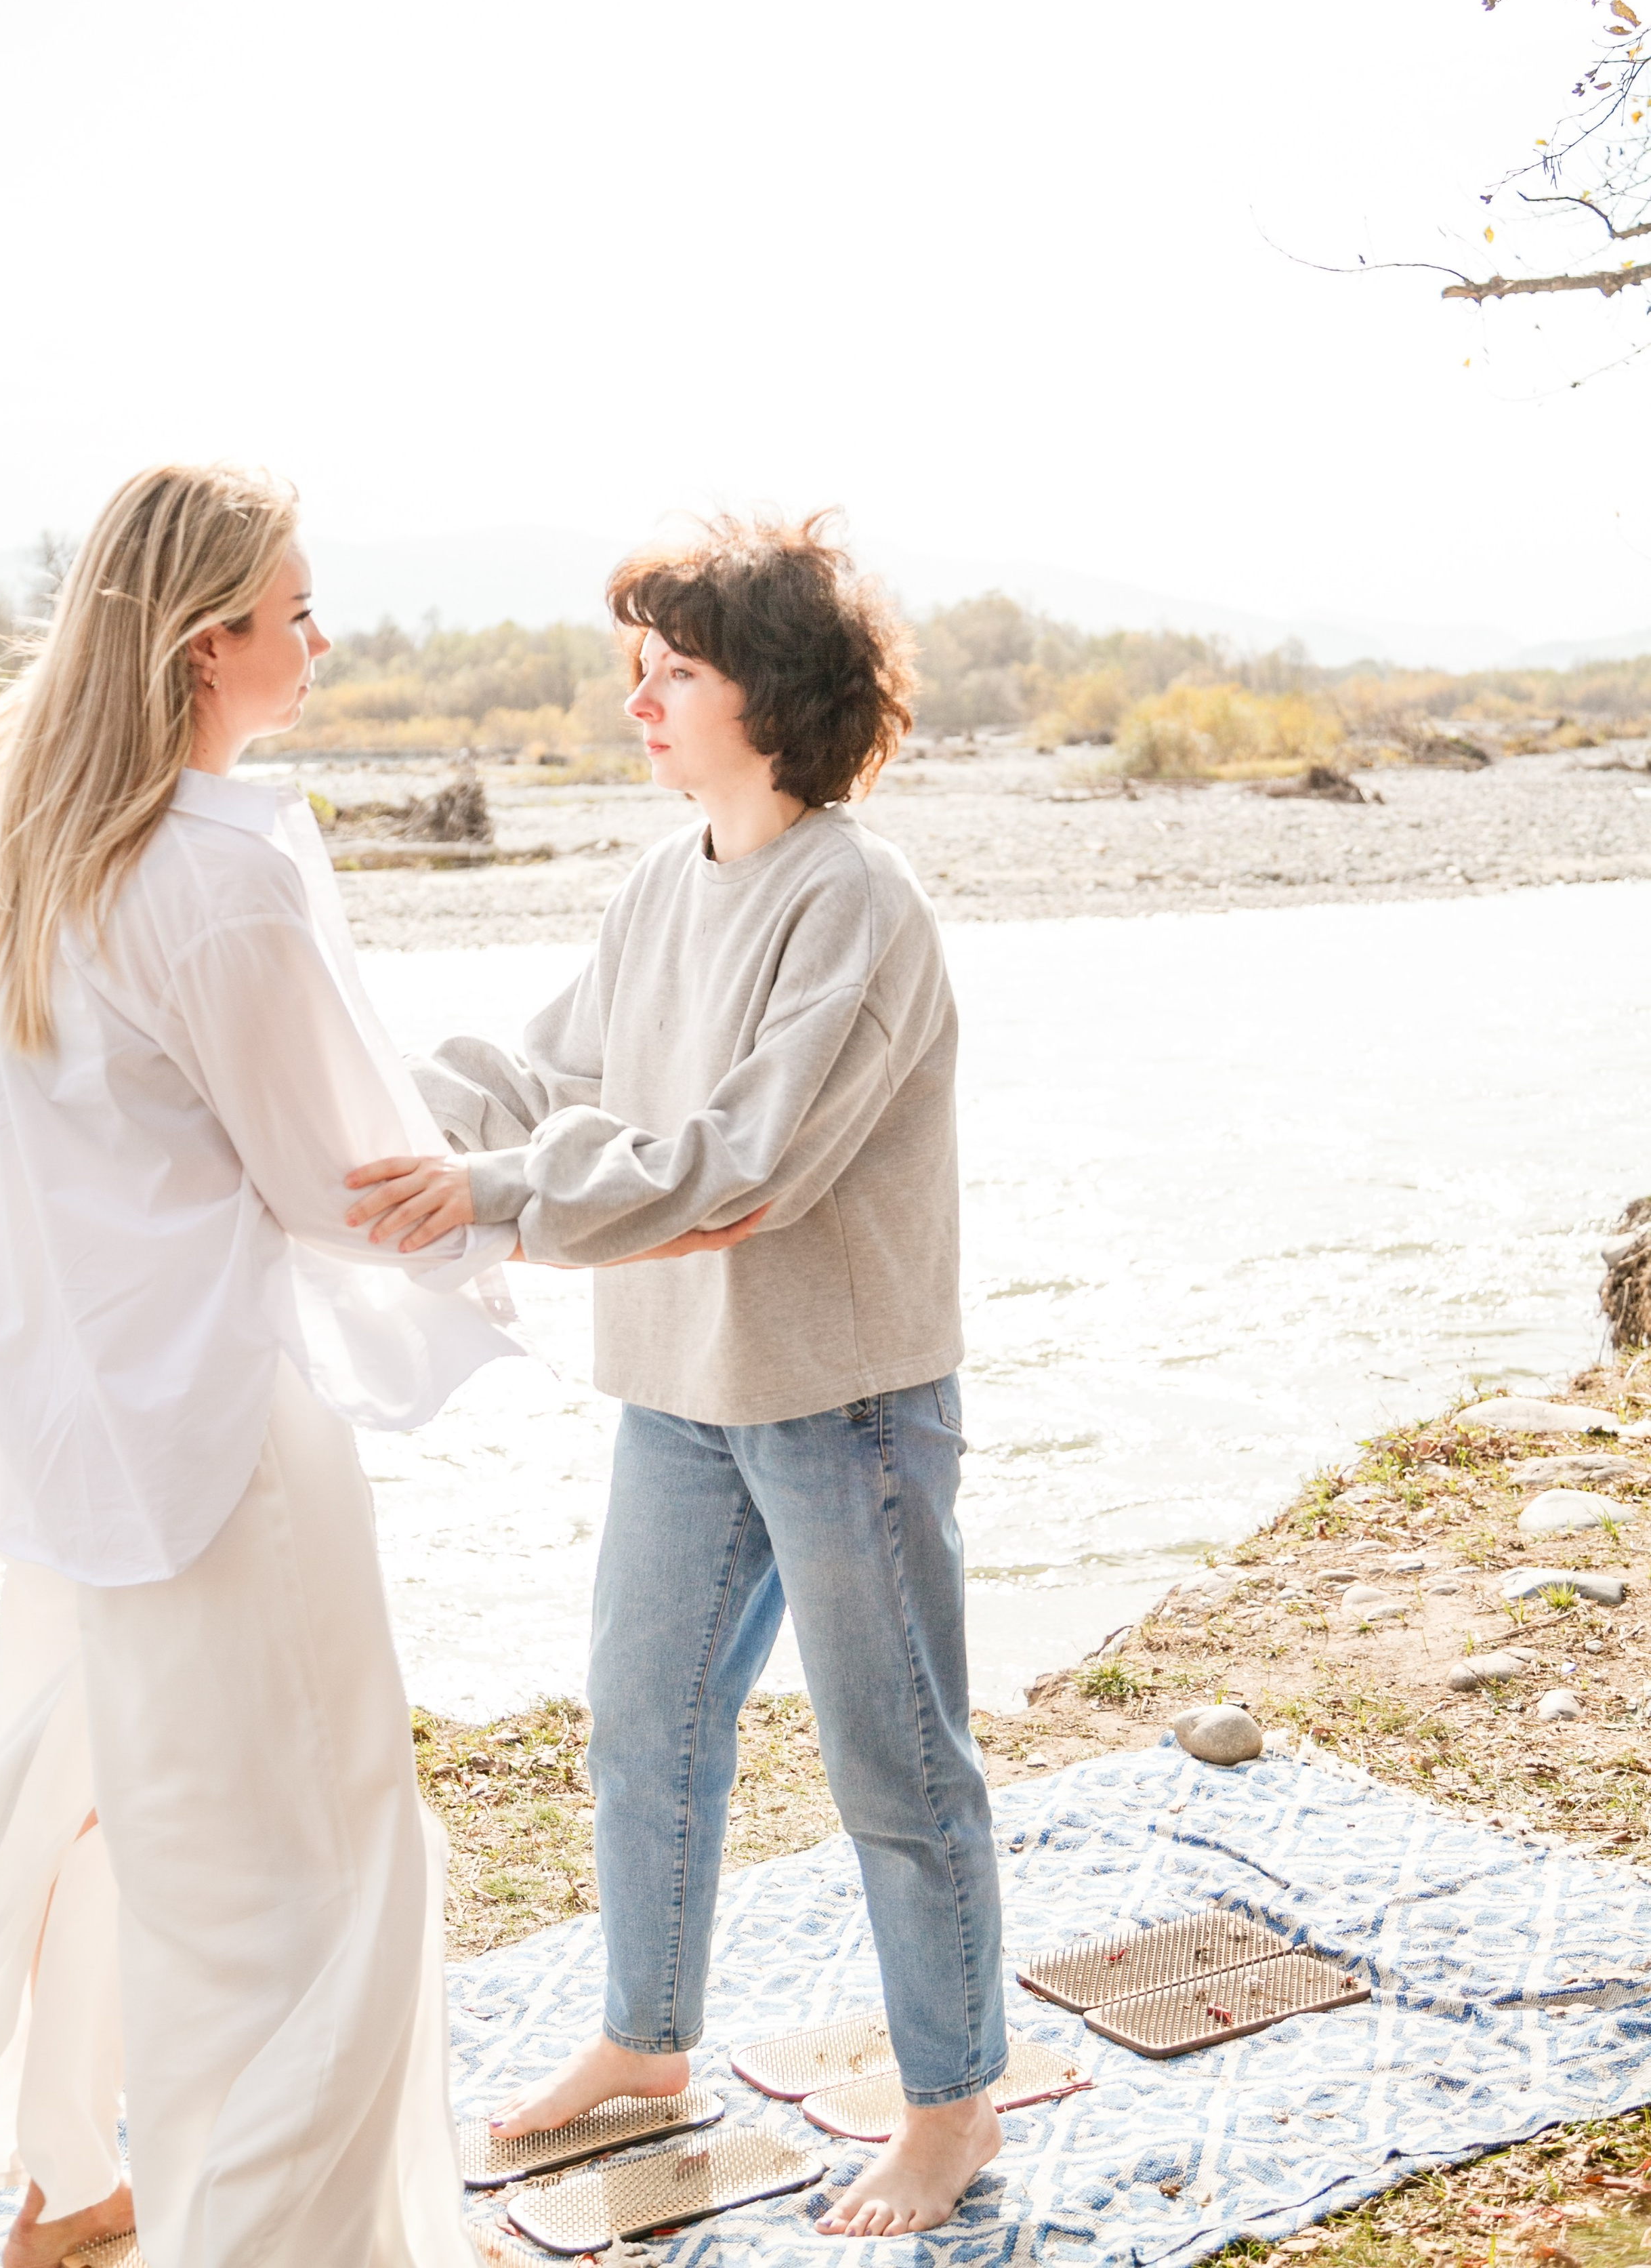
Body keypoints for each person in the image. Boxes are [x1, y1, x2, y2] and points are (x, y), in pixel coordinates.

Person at [0, 462, 755, 2268]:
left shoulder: (42, 845)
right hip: (212, 1440)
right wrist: (621, 1217)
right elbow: (346, 1183)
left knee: (137, 1828)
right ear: (209, 641)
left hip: (70, 1432)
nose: (322, 637)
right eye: (298, 611)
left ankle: (74, 2194)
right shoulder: (215, 865)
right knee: (319, 1889)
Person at [345, 513, 1007, 2243]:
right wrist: (350, 1106)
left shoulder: (854, 900)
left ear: (774, 694)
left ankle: (951, 2107)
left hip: (843, 1394)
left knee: (895, 1763)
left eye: (679, 666)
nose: (639, 694)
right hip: (679, 1392)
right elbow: (540, 1064)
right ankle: (647, 2043)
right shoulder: (663, 881)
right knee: (644, 1731)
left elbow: (740, 1165)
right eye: (635, 663)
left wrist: (488, 1196)